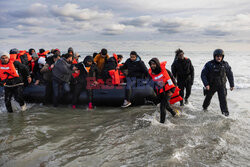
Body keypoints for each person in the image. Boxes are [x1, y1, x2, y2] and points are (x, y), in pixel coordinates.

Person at [201, 49, 234, 116]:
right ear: (214, 56)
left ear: (222, 57)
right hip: (211, 86)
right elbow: (203, 74)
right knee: (207, 99)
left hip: (222, 86)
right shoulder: (209, 64)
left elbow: (230, 74)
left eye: (220, 56)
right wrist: (206, 84)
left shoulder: (225, 64)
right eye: (217, 56)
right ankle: (204, 109)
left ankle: (225, 115)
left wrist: (232, 84)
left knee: (223, 101)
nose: (219, 57)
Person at [148, 58, 181, 123]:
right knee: (167, 106)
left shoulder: (165, 71)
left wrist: (172, 91)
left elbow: (173, 81)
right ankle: (174, 113)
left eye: (154, 64)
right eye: (151, 64)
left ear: (157, 64)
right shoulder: (151, 73)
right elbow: (150, 83)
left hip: (168, 91)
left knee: (162, 106)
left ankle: (162, 123)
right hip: (160, 92)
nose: (152, 66)